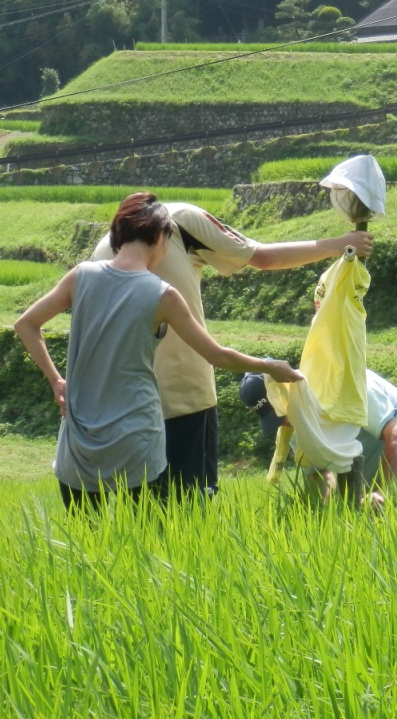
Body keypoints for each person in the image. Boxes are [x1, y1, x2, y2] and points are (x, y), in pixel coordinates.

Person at [17, 192, 302, 511]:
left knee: (90, 547)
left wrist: (57, 381)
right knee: (156, 539)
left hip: (81, 442)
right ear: (160, 237)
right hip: (138, 439)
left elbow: (25, 325)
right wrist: (269, 365)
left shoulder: (81, 275)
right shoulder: (161, 294)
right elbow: (217, 355)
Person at [89, 203, 373, 499]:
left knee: (139, 510)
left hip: (122, 403)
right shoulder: (181, 220)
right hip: (184, 398)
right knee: (186, 510)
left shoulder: (103, 250)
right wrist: (339, 245)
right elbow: (261, 257)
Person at [241, 368, 397, 497]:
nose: (286, 421)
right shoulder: (294, 425)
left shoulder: (343, 384)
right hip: (382, 476)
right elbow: (319, 475)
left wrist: (382, 496)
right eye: (279, 418)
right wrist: (328, 518)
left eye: (283, 410)